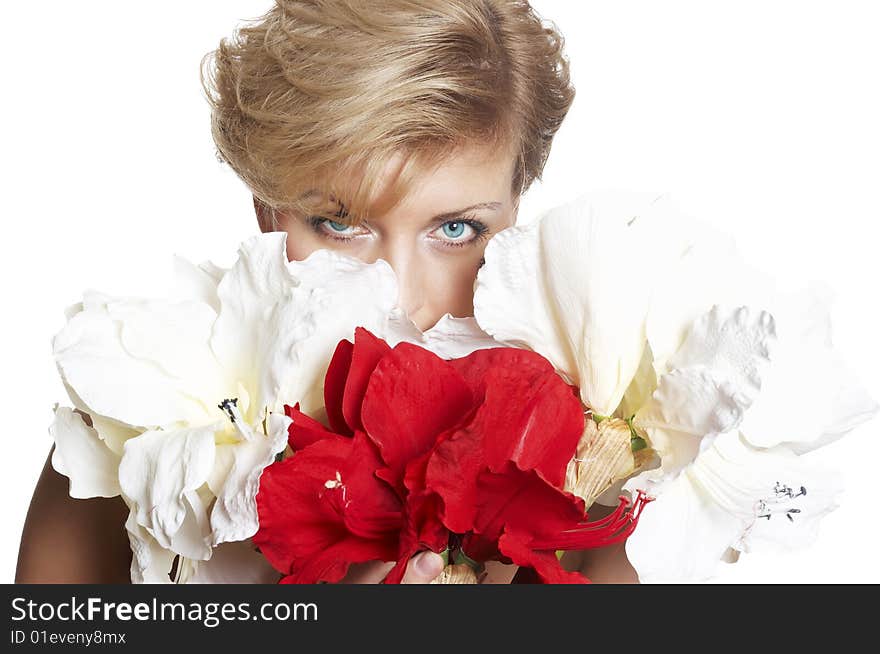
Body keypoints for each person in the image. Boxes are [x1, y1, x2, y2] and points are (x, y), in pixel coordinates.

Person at [16, 0, 637, 584]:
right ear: (267, 208)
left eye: (456, 229)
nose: (401, 298)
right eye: (342, 226)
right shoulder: (139, 426)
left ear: (514, 211)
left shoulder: (578, 456)